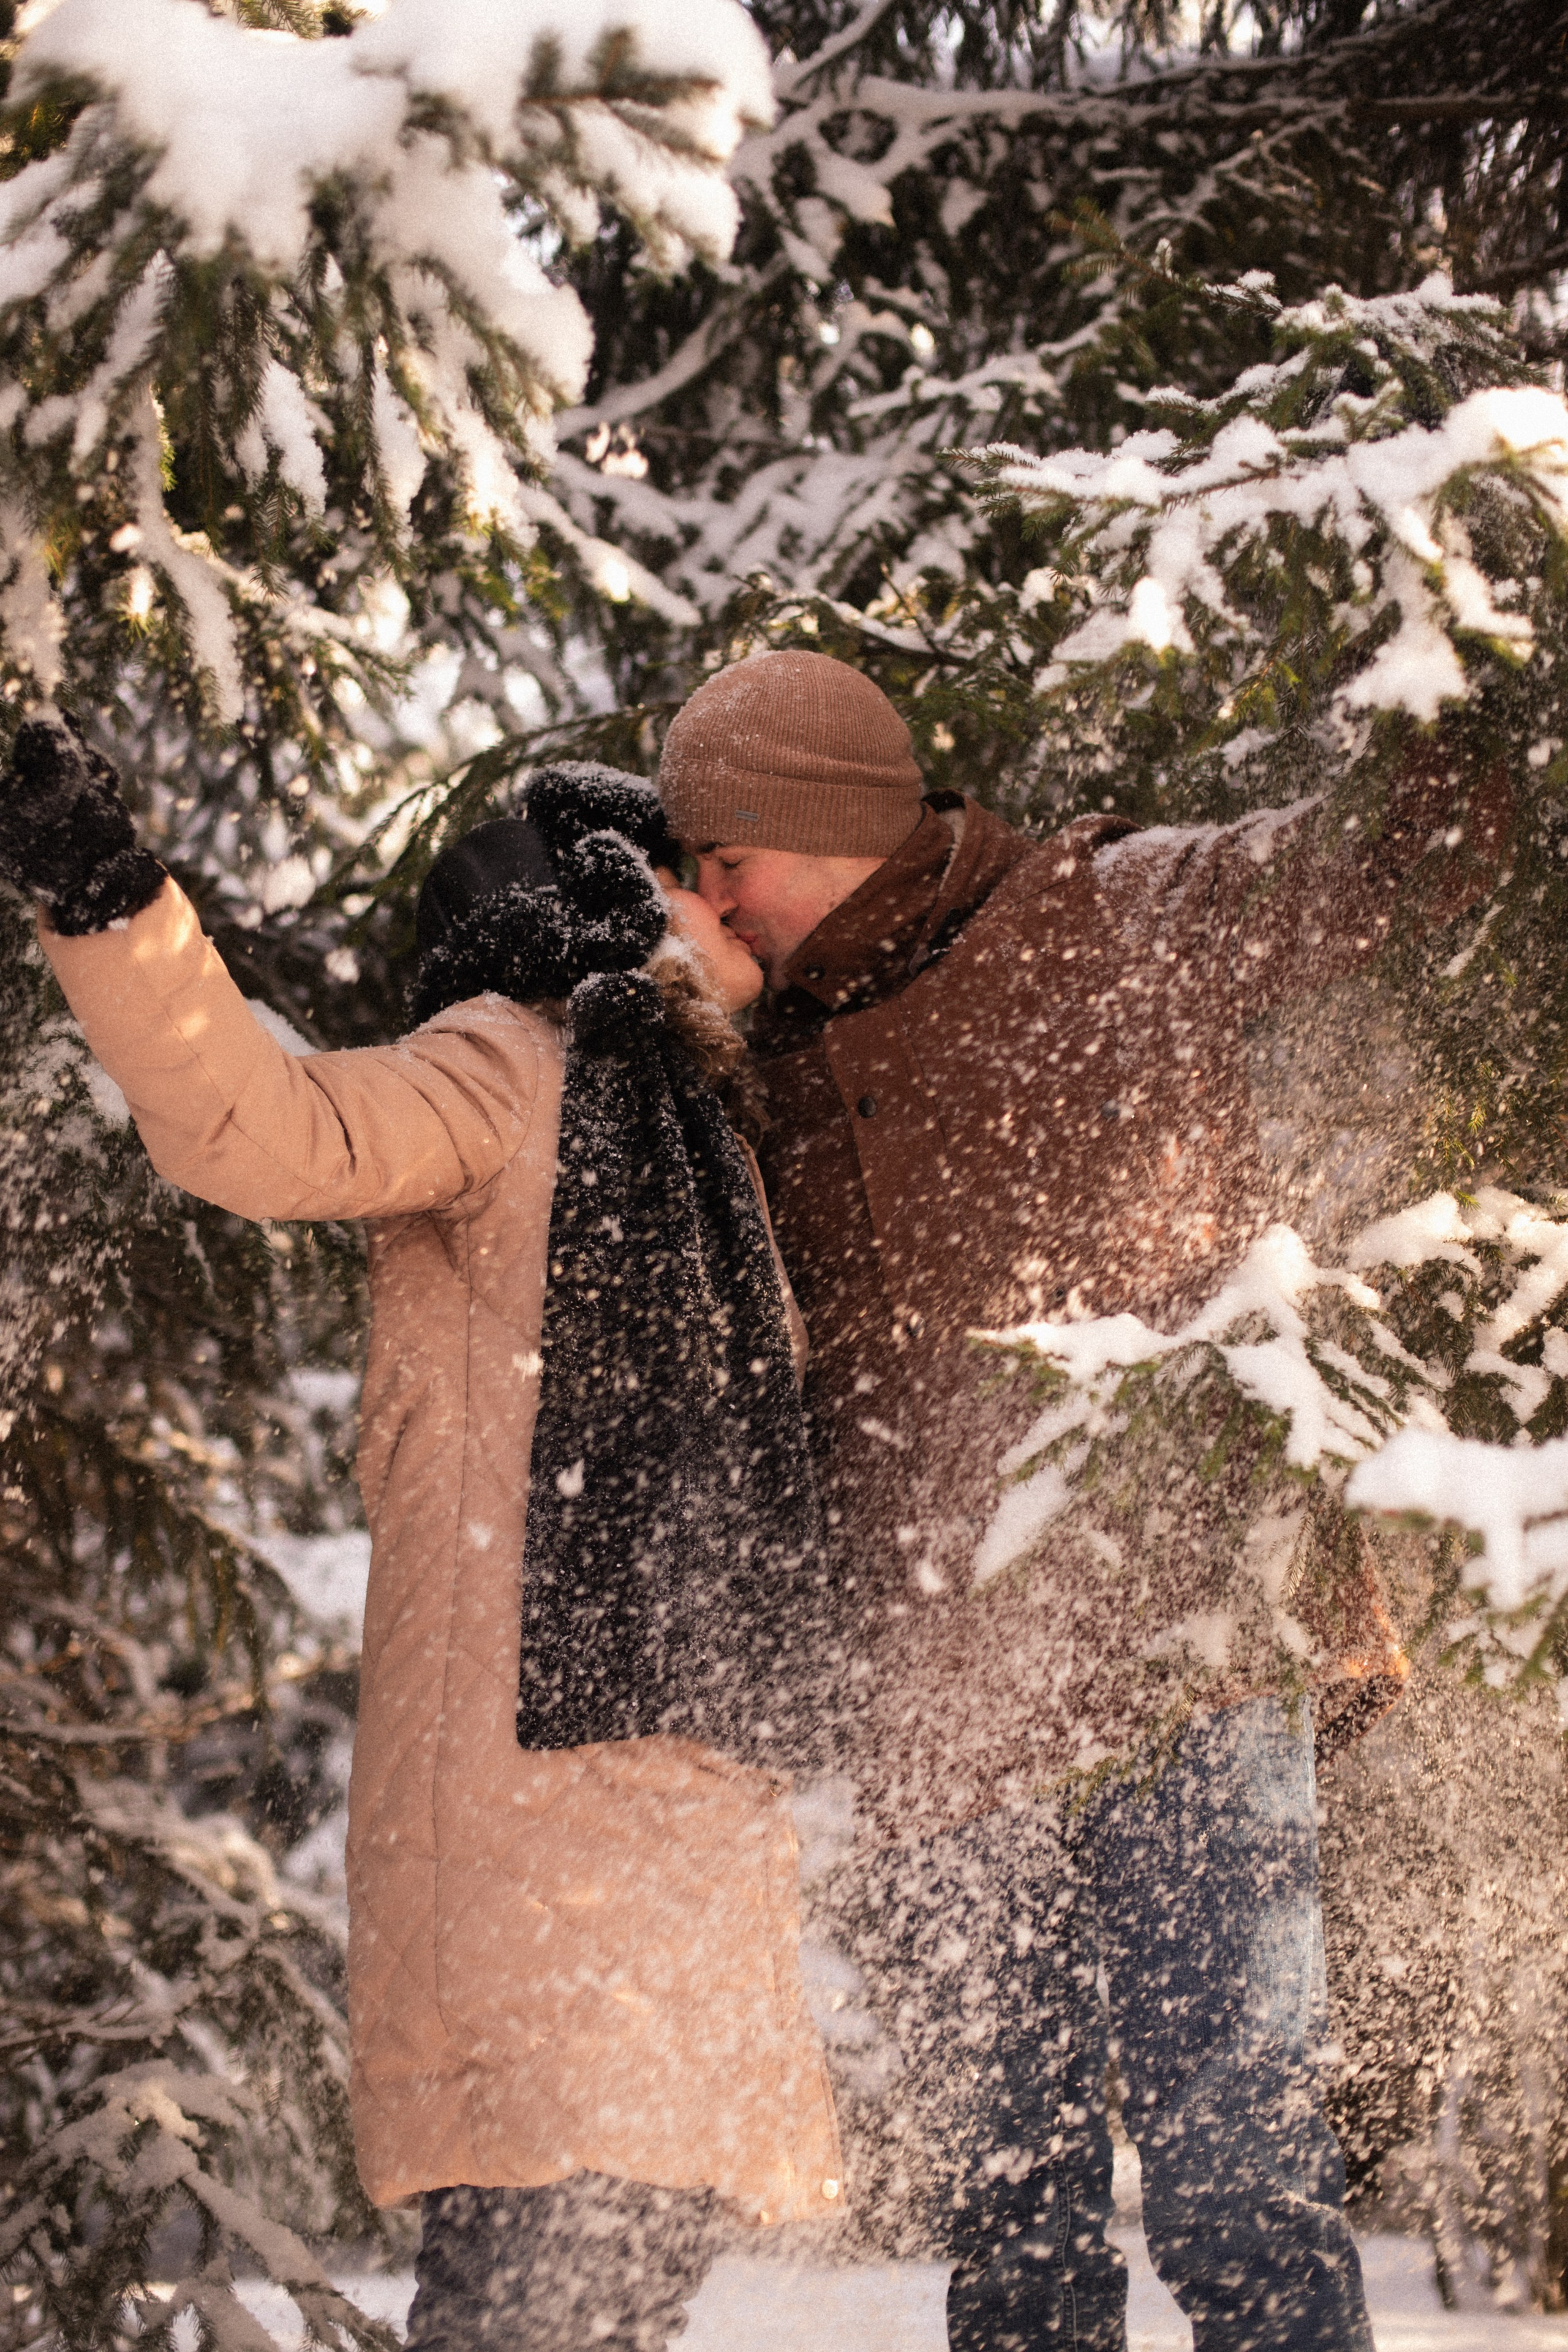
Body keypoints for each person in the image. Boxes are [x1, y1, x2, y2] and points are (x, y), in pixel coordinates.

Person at [657, 647, 1514, 2351]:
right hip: (940, 1700)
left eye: (716, 858)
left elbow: (1405, 851)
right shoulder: (740, 1057)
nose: (704, 899)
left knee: (1239, 2177)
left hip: (1183, 1655)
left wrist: (1471, 625)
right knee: (1011, 2217)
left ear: (801, 828)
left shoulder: (1110, 907)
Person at [0, 720, 848, 2351]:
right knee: (535, 2290)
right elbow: (260, 1122)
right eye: (702, 877)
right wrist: (113, 897)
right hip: (537, 1826)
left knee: (613, 2286)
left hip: (666, 1832)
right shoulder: (513, 1073)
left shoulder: (715, 1137)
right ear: (621, 900)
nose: (742, 911)